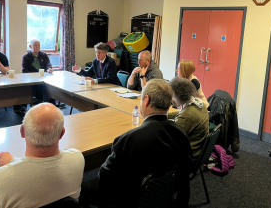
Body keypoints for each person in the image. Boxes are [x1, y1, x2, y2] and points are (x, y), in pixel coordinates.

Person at [80, 79, 193, 208]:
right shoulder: (180, 132)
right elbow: (187, 168)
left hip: (129, 199)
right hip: (163, 195)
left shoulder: (128, 139)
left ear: (146, 100)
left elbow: (105, 179)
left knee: (81, 188)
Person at [0, 103, 85, 208]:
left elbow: (34, 172)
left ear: (22, 131)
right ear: (62, 133)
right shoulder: (77, 158)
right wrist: (13, 161)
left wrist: (13, 164)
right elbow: (40, 170)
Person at [169, 77, 209, 157]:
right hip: (198, 147)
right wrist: (164, 115)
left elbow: (171, 137)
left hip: (189, 153)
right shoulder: (198, 103)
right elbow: (182, 113)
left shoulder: (187, 116)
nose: (171, 101)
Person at [13, 39, 55, 115]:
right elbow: (24, 70)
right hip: (31, 79)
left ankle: (49, 103)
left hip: (43, 77)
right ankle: (36, 104)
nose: (37, 47)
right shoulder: (26, 56)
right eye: (35, 45)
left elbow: (48, 64)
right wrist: (36, 75)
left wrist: (49, 69)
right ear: (30, 46)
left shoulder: (43, 55)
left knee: (51, 86)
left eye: (38, 45)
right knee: (36, 87)